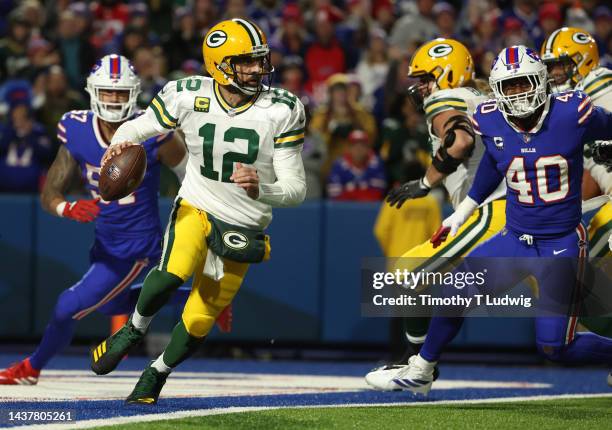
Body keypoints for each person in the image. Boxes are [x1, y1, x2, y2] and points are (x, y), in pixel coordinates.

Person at [367, 45, 612, 394]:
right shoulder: (490, 117)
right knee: (453, 289)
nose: (517, 93)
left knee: (555, 348)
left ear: (541, 82)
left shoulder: (572, 110)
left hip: (560, 243)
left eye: (523, 83)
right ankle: (420, 370)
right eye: (508, 87)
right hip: (515, 237)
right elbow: (492, 164)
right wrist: (461, 214)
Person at [90, 19, 306, 404]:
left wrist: (263, 187)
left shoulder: (283, 109)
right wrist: (117, 144)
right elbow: (137, 128)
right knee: (172, 273)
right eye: (247, 62)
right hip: (197, 204)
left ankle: (157, 372)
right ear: (221, 64)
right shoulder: (186, 94)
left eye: (260, 60)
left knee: (200, 318)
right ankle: (134, 329)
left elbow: (296, 190)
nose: (259, 68)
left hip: (245, 223)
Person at [0, 54, 189, 385]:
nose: (114, 99)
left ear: (132, 93)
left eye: (120, 93)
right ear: (93, 92)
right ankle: (195, 296)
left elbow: (189, 171)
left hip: (138, 243)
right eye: (107, 92)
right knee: (110, 304)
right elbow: (51, 191)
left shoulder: (152, 130)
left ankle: (31, 368)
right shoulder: (76, 127)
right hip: (106, 241)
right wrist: (66, 208)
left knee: (66, 306)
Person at [365, 39, 507, 382]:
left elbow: (460, 141)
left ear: (449, 73)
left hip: (493, 210)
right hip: (512, 210)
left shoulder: (448, 99)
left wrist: (426, 182)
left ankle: (418, 366)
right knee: (564, 321)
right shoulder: (484, 99)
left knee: (407, 274)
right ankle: (419, 363)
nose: (422, 87)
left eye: (427, 78)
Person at [541, 27, 612, 345]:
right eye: (551, 67)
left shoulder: (601, 86)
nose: (555, 73)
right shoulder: (571, 104)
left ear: (583, 61)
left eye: (561, 64)